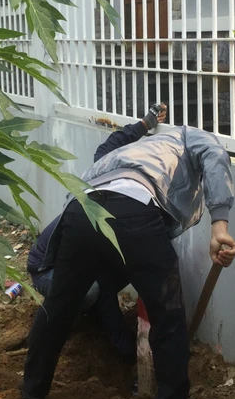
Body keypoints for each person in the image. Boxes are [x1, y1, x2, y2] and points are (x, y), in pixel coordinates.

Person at [21, 123, 235, 399]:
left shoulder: (134, 150)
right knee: (168, 314)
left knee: (60, 304)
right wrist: (220, 226)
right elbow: (215, 155)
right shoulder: (190, 136)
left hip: (81, 211)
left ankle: (33, 389)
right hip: (134, 210)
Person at [26, 104, 168, 367]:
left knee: (120, 272)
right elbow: (106, 292)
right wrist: (126, 349)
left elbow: (111, 144)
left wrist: (146, 124)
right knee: (95, 289)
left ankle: (87, 312)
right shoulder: (102, 212)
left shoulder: (109, 175)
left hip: (74, 261)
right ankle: (71, 314)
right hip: (46, 270)